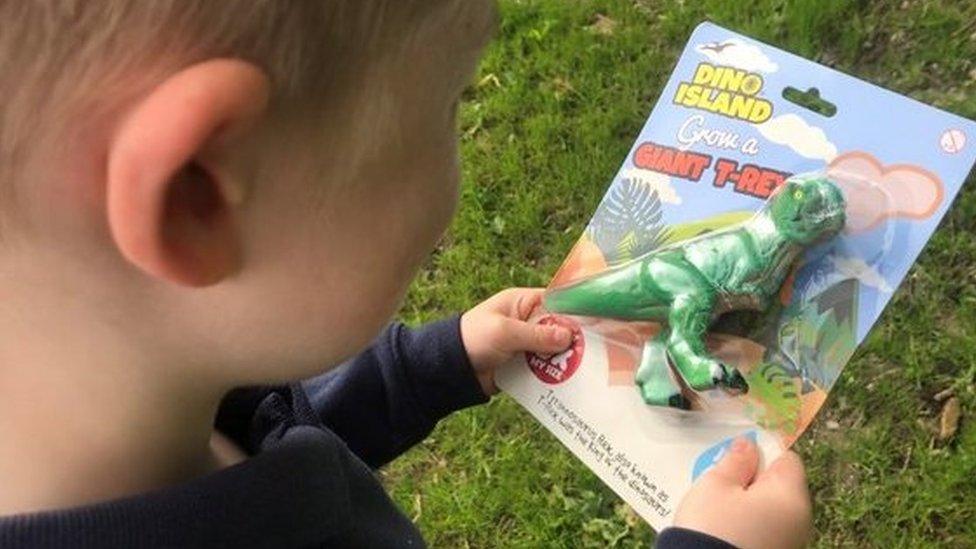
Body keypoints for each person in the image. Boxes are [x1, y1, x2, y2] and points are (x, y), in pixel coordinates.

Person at [0, 1, 810, 546]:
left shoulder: (139, 406)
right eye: (453, 102)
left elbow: (280, 428)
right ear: (197, 195)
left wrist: (425, 369)